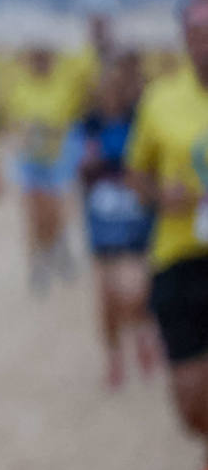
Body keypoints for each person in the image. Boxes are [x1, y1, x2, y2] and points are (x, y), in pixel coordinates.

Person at [127, 0, 208, 470]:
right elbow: (136, 177)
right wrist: (164, 195)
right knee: (190, 403)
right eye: (197, 34)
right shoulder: (161, 99)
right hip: (178, 258)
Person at [77, 49, 159, 389]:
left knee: (134, 287)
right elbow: (75, 168)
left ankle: (141, 328)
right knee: (106, 294)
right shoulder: (87, 126)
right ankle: (114, 356)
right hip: (101, 215)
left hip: (136, 214)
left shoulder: (140, 122)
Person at [7, 44, 90, 293]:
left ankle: (55, 248)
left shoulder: (64, 84)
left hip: (57, 158)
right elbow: (15, 124)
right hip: (29, 159)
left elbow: (72, 117)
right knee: (34, 214)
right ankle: (39, 263)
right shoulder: (19, 86)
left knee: (54, 211)